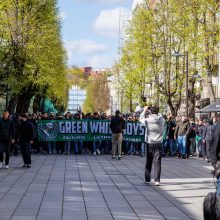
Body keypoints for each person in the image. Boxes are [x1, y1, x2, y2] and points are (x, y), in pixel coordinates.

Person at [140, 106, 165, 186]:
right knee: (157, 162)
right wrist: (157, 112)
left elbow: (141, 118)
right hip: (158, 142)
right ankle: (157, 180)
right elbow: (161, 116)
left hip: (149, 142)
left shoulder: (147, 120)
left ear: (151, 111)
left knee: (149, 161)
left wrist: (144, 110)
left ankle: (147, 179)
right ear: (158, 111)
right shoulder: (161, 119)